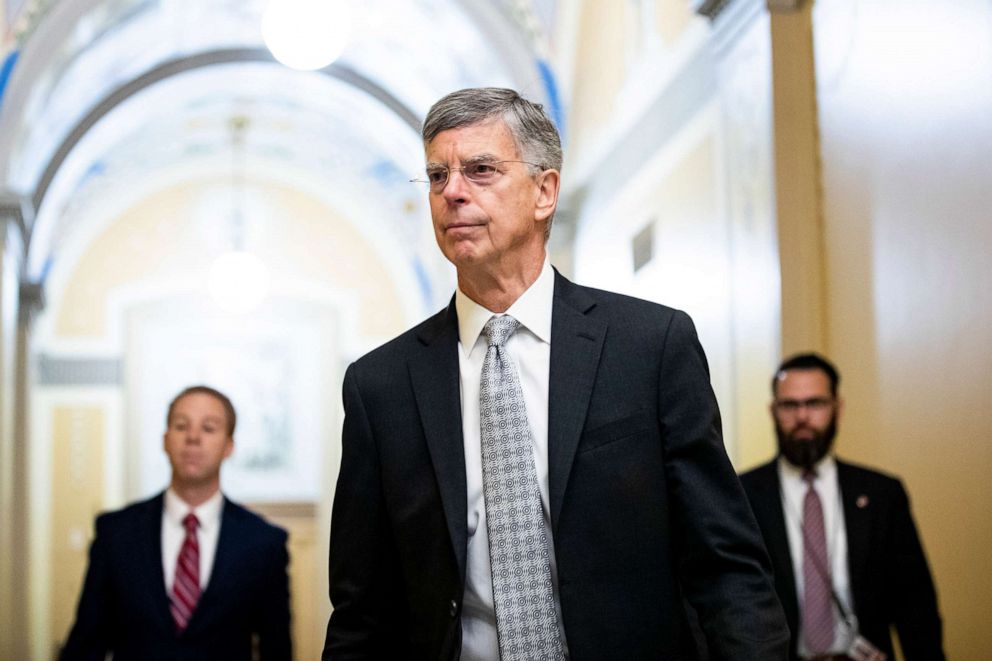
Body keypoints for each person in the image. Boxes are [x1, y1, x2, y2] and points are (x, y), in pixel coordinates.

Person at [323, 87, 788, 660]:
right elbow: (362, 612)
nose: (453, 193)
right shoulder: (381, 386)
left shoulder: (648, 346)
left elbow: (726, 565)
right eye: (438, 176)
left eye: (481, 170)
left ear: (544, 191)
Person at [61, 385, 293, 660]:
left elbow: (276, 649)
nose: (193, 437)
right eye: (182, 426)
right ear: (165, 439)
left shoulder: (264, 543)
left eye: (208, 428)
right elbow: (86, 643)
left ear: (229, 446)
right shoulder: (116, 533)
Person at [740, 353, 944, 660]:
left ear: (838, 408)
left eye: (816, 403)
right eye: (790, 405)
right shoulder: (742, 494)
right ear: (773, 411)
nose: (803, 416)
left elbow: (915, 604)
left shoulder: (881, 494)